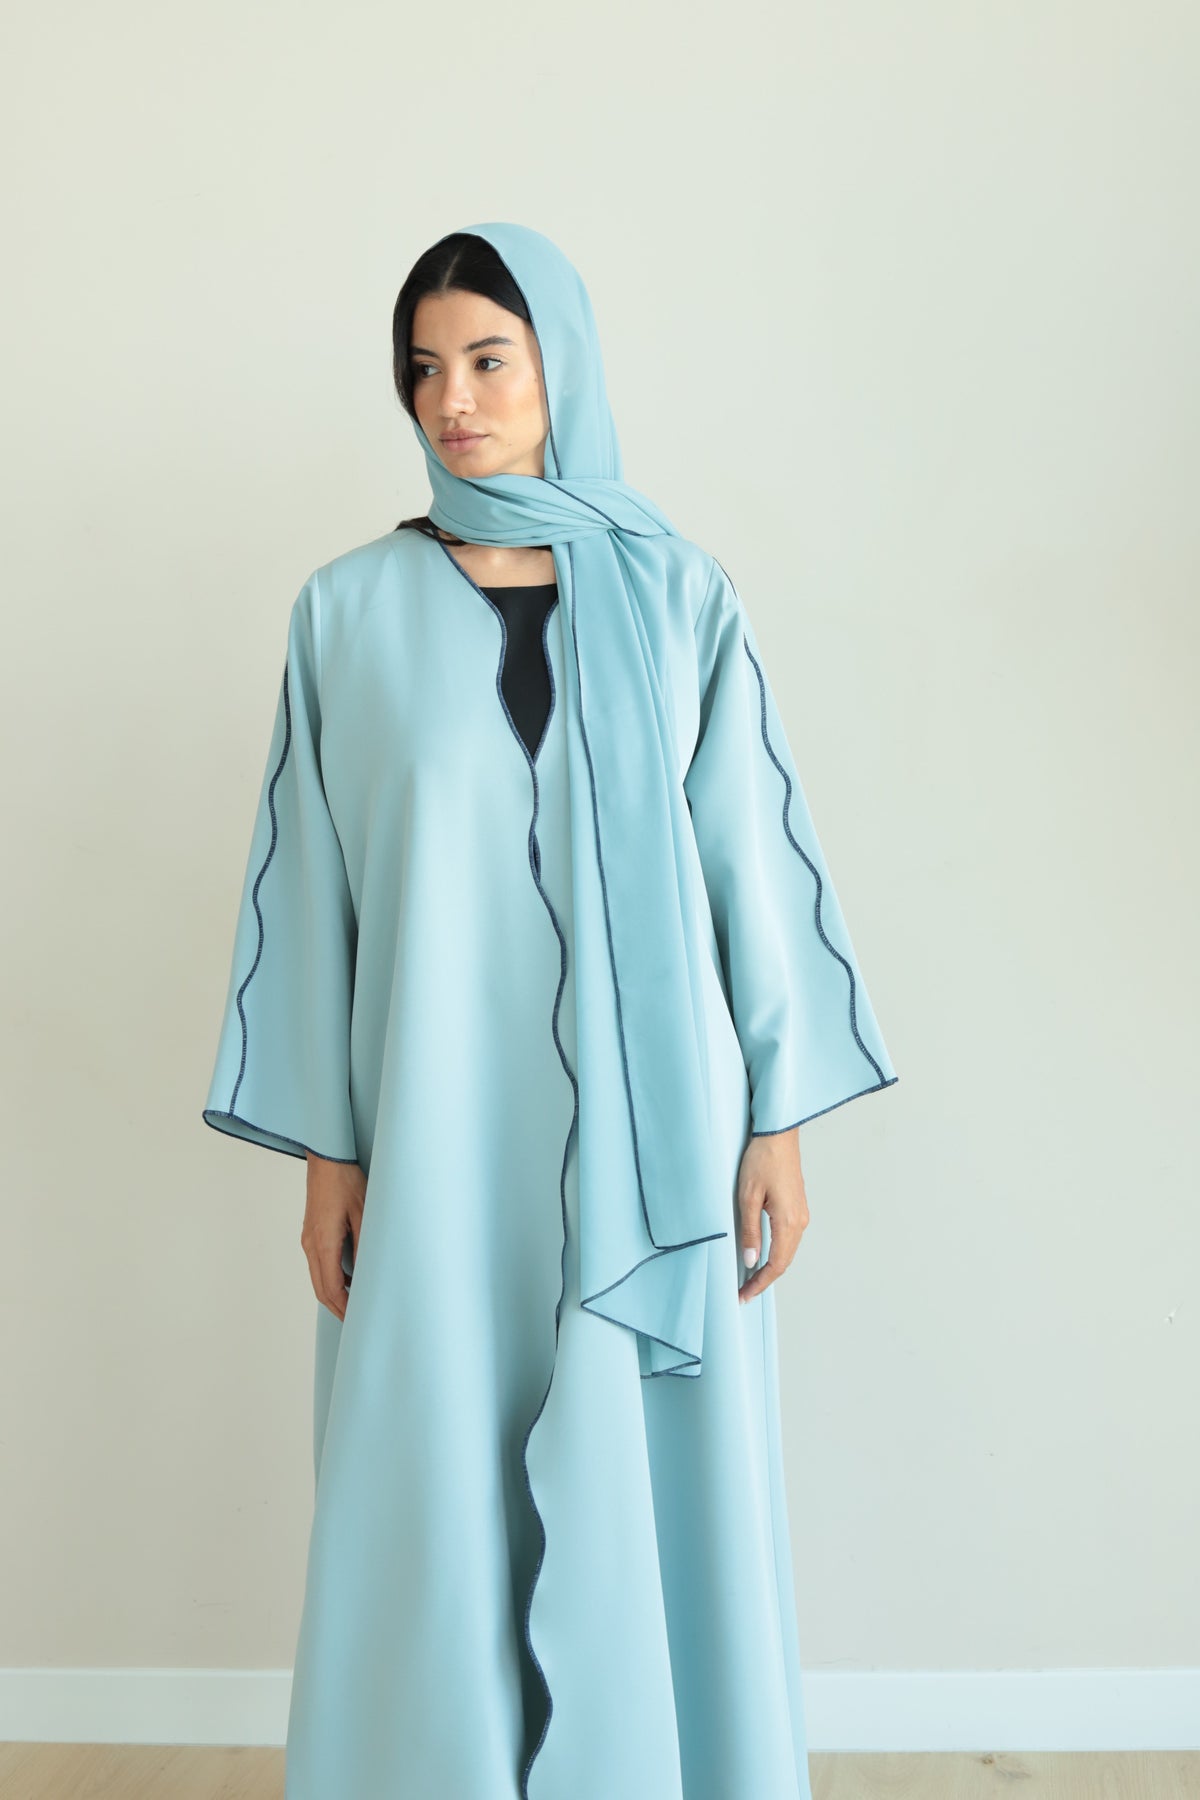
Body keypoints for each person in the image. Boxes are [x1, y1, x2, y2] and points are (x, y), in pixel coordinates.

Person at [201, 221, 898, 1800]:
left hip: (660, 1148)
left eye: (489, 359)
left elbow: (747, 865)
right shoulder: (345, 614)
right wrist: (330, 1155)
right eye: (425, 369)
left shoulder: (678, 597)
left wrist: (777, 1119)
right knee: (428, 1455)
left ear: (559, 364)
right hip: (435, 1124)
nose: (454, 399)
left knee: (650, 1462)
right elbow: (311, 898)